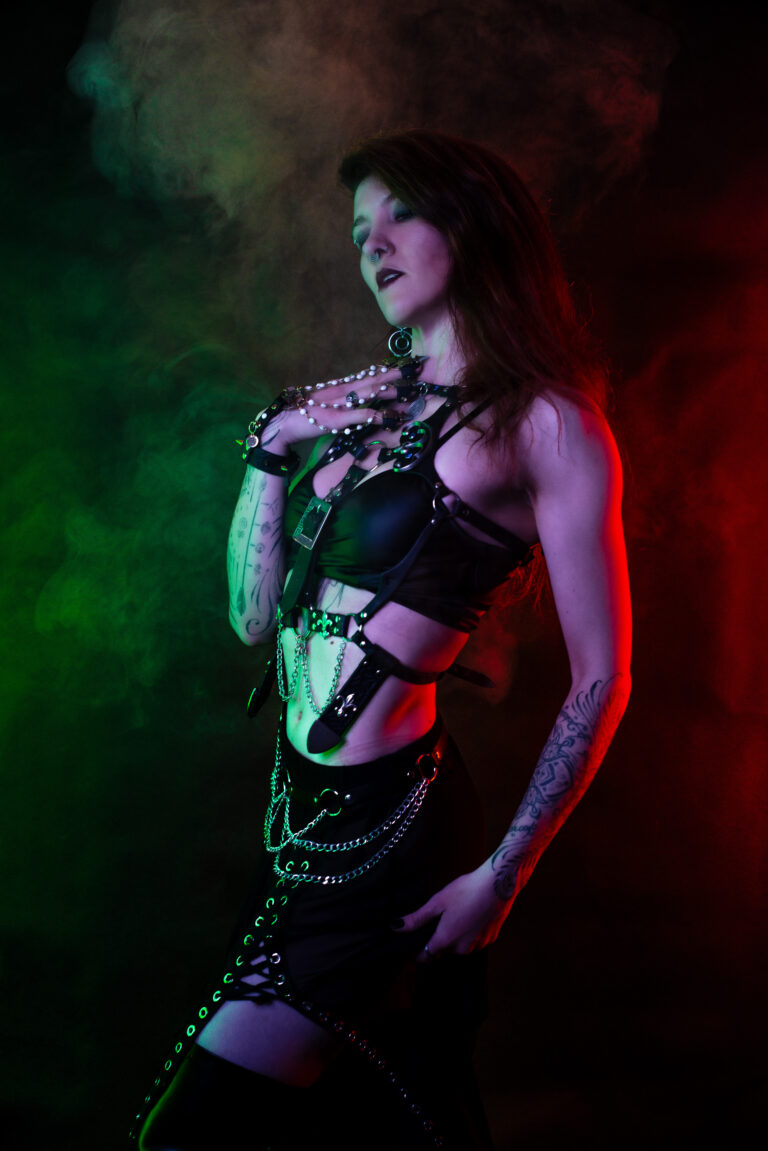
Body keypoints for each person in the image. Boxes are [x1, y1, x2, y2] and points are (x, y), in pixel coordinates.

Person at [134, 130, 631, 1150]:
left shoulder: (546, 424)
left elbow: (603, 675)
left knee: (195, 1131)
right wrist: (270, 448)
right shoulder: (367, 410)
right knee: (375, 1120)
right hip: (300, 819)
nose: (373, 243)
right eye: (361, 226)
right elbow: (252, 618)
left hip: (393, 833)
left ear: (474, 224)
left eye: (401, 213)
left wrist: (504, 873)